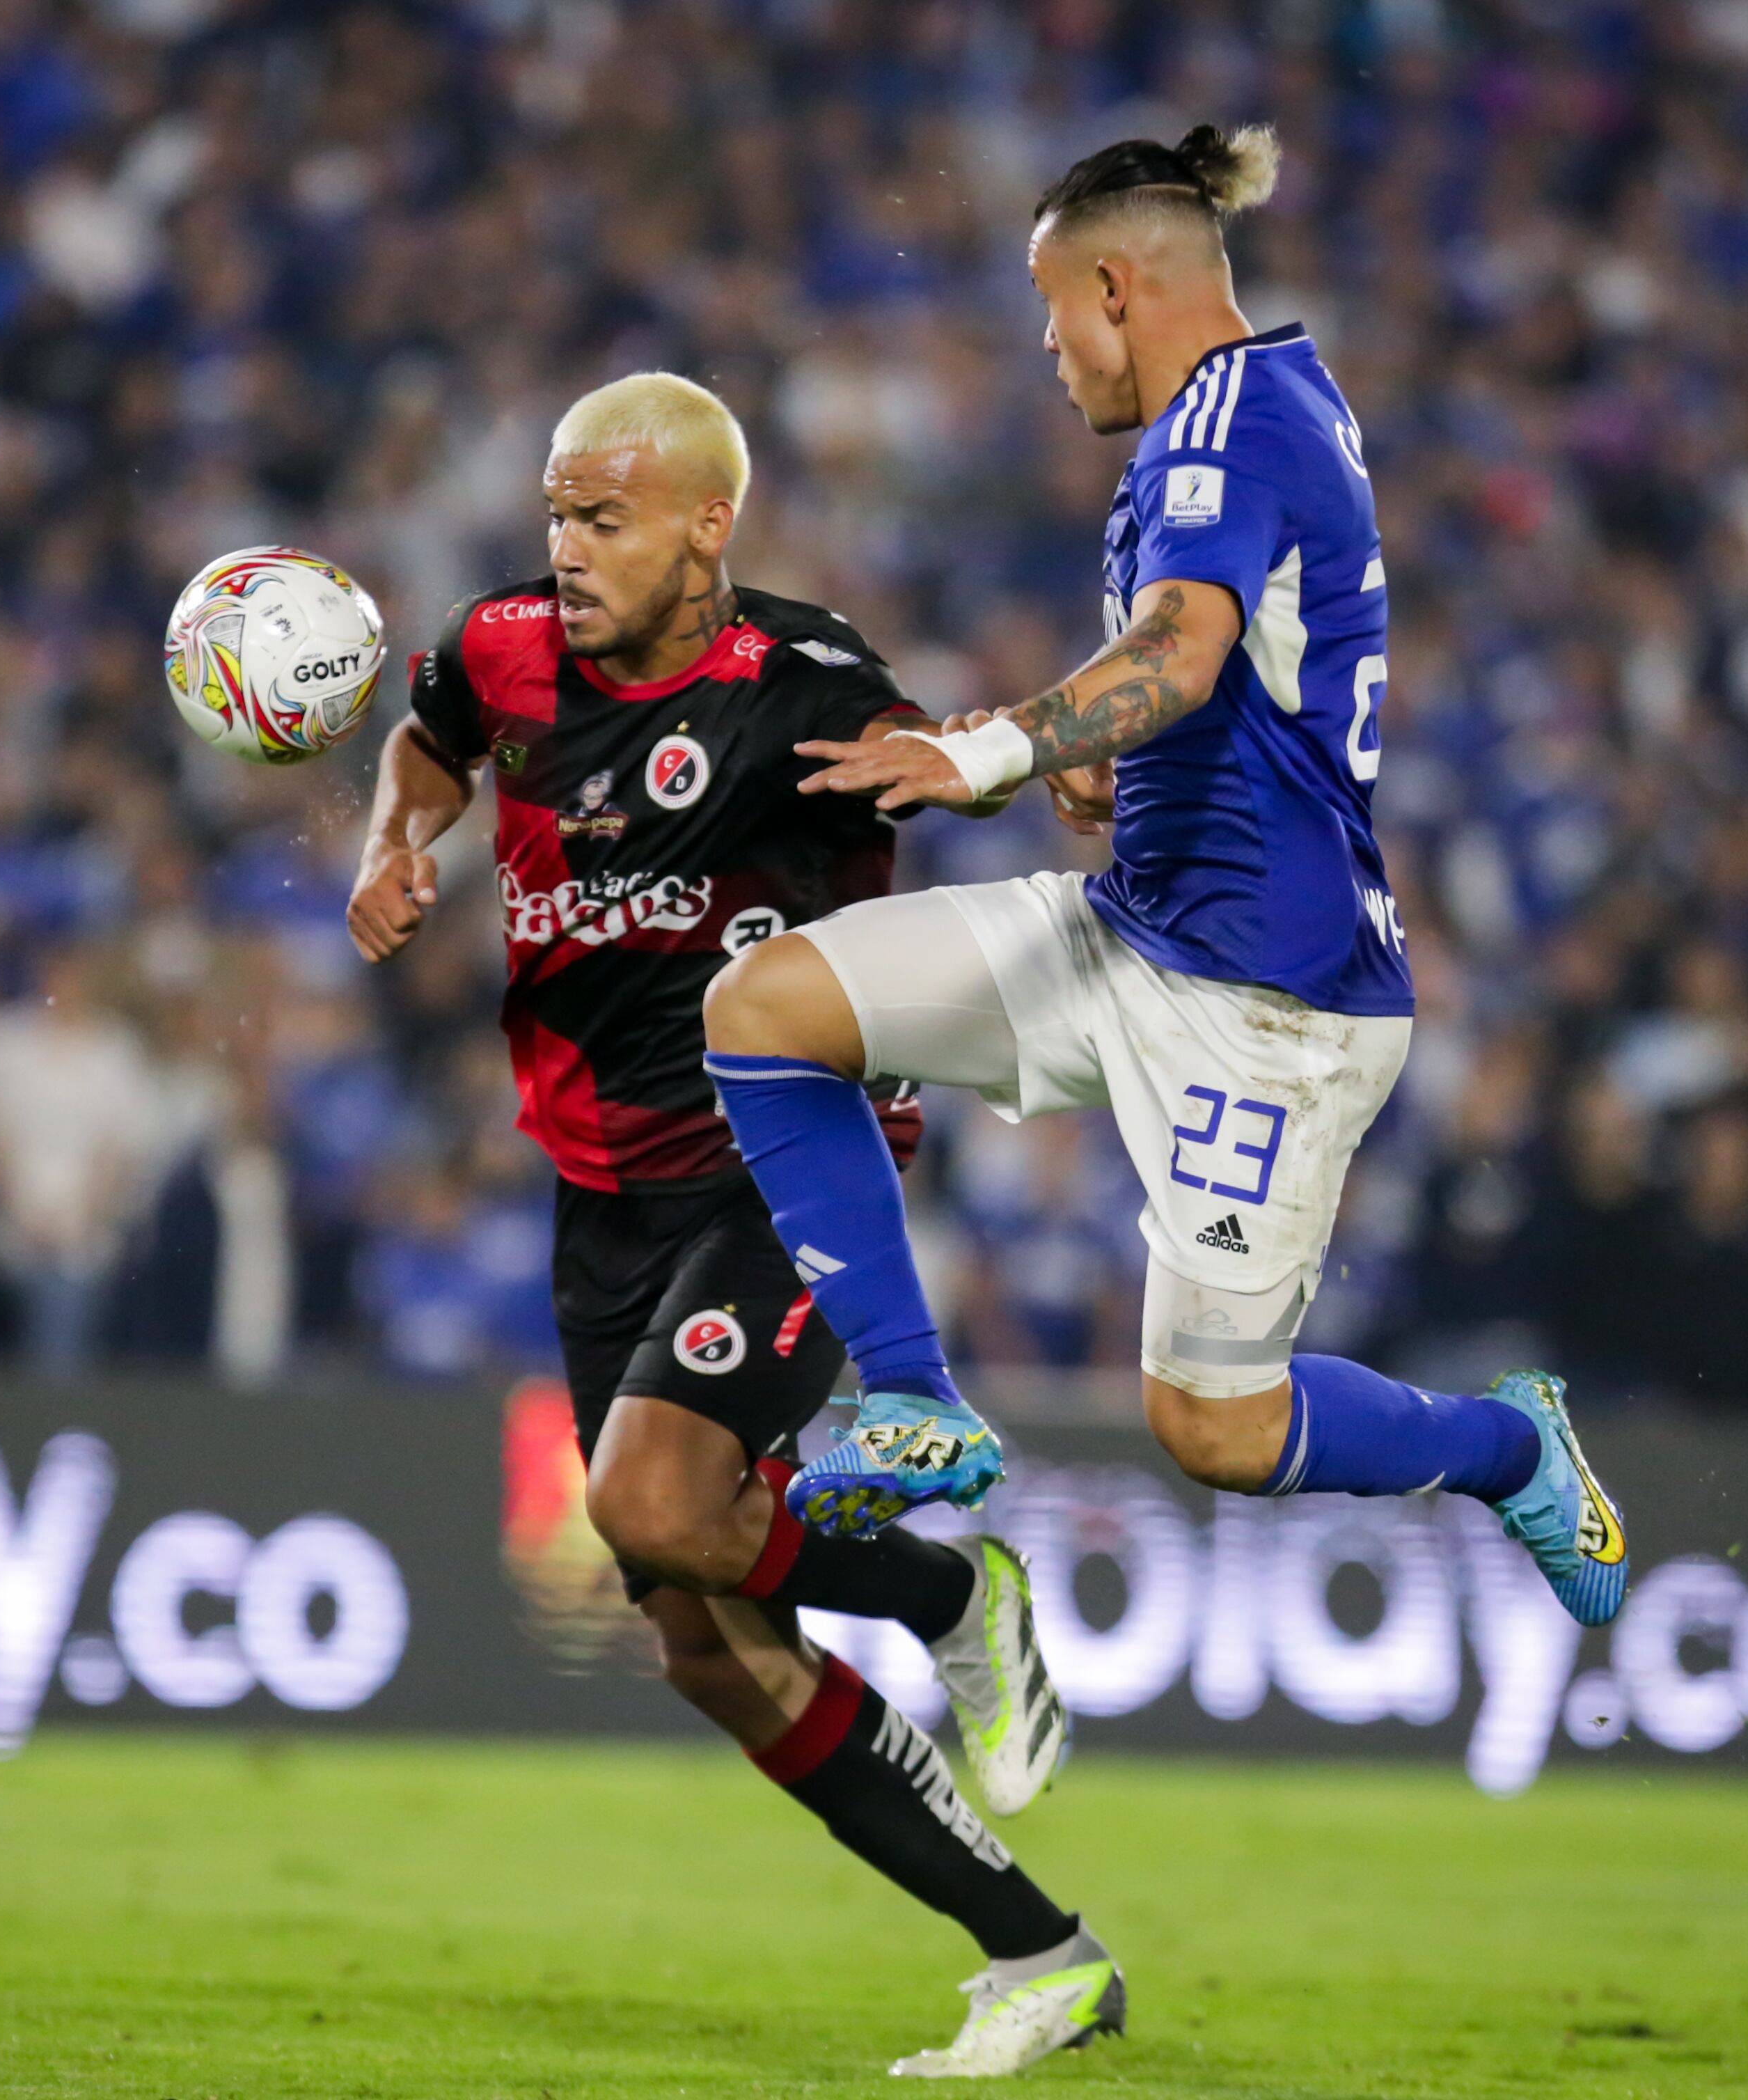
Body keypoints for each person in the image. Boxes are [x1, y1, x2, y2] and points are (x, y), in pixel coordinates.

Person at [700, 125, 1634, 1632]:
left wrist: (1001, 746)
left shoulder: (1222, 431)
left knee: (1215, 1431)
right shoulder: (1249, 409)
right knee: (767, 1004)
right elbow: (1222, 667)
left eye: (1052, 308)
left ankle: (1511, 1441)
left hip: (1270, 1002)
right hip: (1138, 925)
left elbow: (1187, 656)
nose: (1048, 348)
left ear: (1119, 288)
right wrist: (1100, 754)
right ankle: (915, 1403)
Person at [347, 373, 1118, 2078]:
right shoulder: (495, 653)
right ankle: (1044, 1955)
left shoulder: (795, 680)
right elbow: (426, 748)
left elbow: (936, 764)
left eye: (601, 517)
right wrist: (393, 845)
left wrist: (1054, 777)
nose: (563, 548)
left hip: (783, 1171)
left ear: (709, 526)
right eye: (554, 512)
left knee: (651, 1495)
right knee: (701, 1638)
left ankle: (941, 1590)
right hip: (600, 1190)